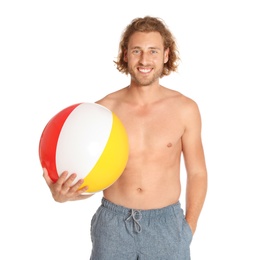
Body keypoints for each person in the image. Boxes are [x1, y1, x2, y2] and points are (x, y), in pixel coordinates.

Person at [43, 16, 207, 259]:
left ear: (165, 55)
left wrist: (188, 229)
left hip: (167, 226)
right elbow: (93, 178)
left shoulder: (185, 109)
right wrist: (65, 195)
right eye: (137, 50)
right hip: (113, 225)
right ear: (125, 55)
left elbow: (197, 173)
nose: (144, 60)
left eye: (153, 51)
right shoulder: (102, 111)